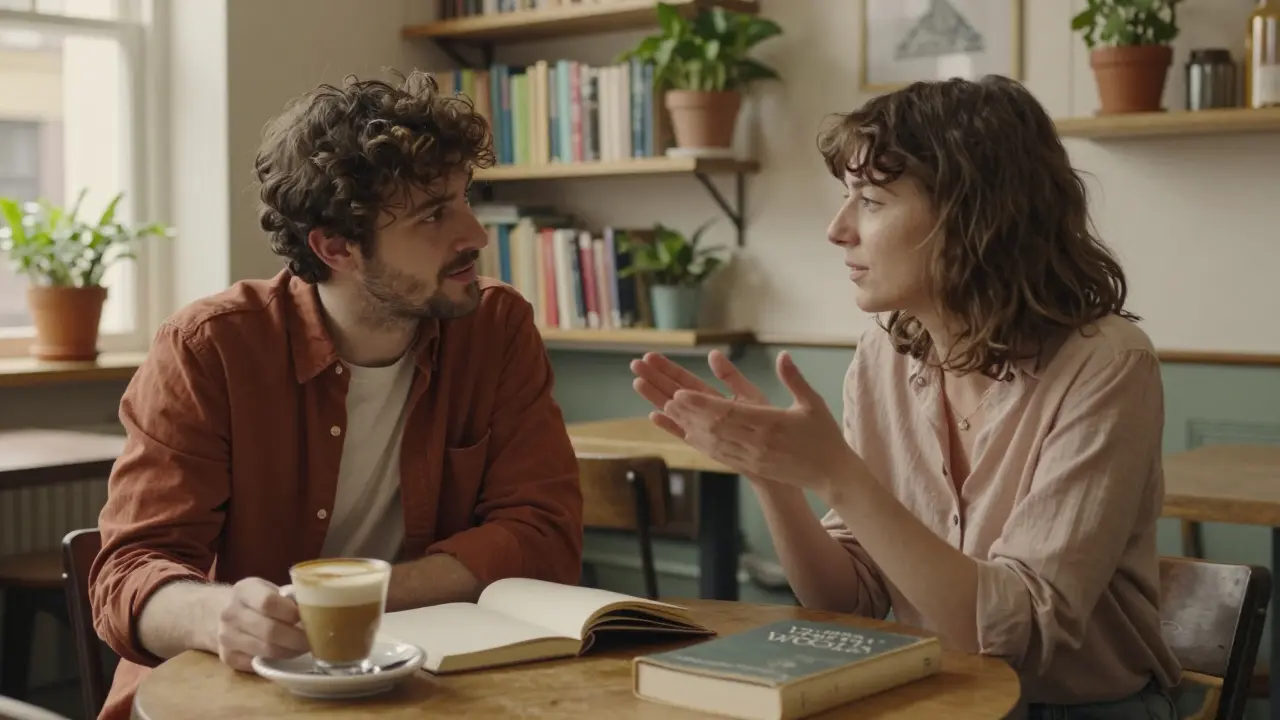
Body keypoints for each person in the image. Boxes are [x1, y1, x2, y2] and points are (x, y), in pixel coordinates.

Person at [630, 75, 1181, 719]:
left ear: (974, 215)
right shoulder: (883, 354)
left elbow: (1018, 635)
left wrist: (837, 475)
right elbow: (849, 600)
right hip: (934, 697)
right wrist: (772, 475)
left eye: (870, 200)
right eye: (846, 197)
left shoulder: (1108, 364)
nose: (838, 229)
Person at [88, 71, 583, 720]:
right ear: (335, 247)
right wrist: (220, 615)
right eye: (434, 214)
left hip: (429, 688)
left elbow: (544, 536)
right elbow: (128, 574)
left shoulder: (495, 328)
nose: (475, 234)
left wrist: (347, 601)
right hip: (232, 695)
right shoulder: (209, 348)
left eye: (465, 198)